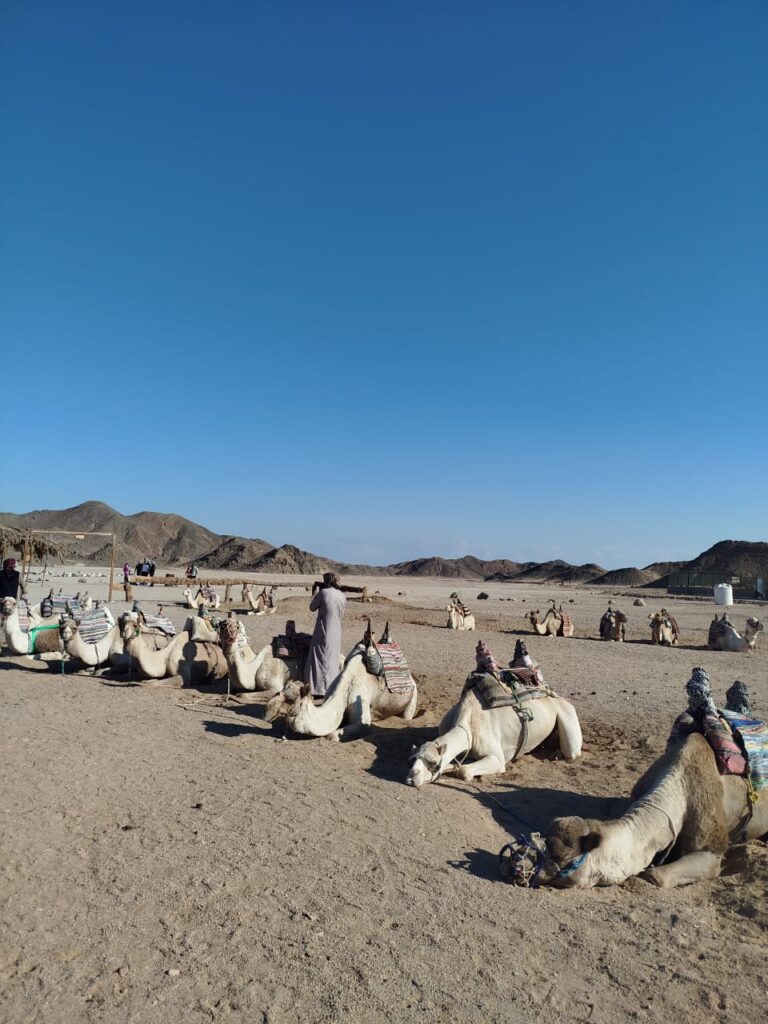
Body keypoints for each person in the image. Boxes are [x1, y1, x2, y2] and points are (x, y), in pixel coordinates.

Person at [304, 572, 347, 697]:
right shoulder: (342, 596)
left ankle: (317, 690)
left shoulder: (324, 593)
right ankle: (330, 687)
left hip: (323, 631)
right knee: (332, 660)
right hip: (337, 632)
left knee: (319, 658)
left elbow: (312, 607)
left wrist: (318, 593)